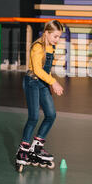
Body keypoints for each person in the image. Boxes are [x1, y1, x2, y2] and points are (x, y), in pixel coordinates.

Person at [15, 20, 64, 172]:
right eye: (55, 36)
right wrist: (53, 82)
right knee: (34, 117)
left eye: (59, 37)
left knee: (51, 114)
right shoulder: (38, 47)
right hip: (32, 82)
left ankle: (37, 145)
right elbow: (37, 69)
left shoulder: (51, 47)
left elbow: (46, 69)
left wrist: (48, 85)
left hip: (43, 83)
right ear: (47, 33)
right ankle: (23, 149)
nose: (57, 40)